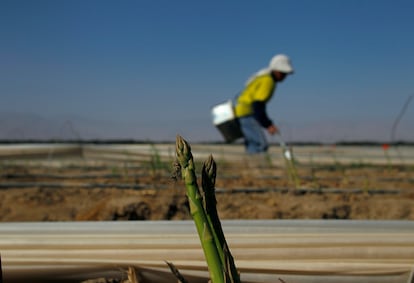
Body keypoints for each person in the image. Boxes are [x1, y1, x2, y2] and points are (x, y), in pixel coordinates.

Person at [234, 54, 294, 154]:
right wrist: (268, 124)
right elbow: (258, 105)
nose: (284, 76)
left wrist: (267, 123)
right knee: (260, 144)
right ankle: (257, 167)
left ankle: (250, 165)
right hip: (246, 113)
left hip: (241, 112)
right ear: (276, 70)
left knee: (252, 142)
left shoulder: (263, 77)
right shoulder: (268, 81)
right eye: (283, 73)